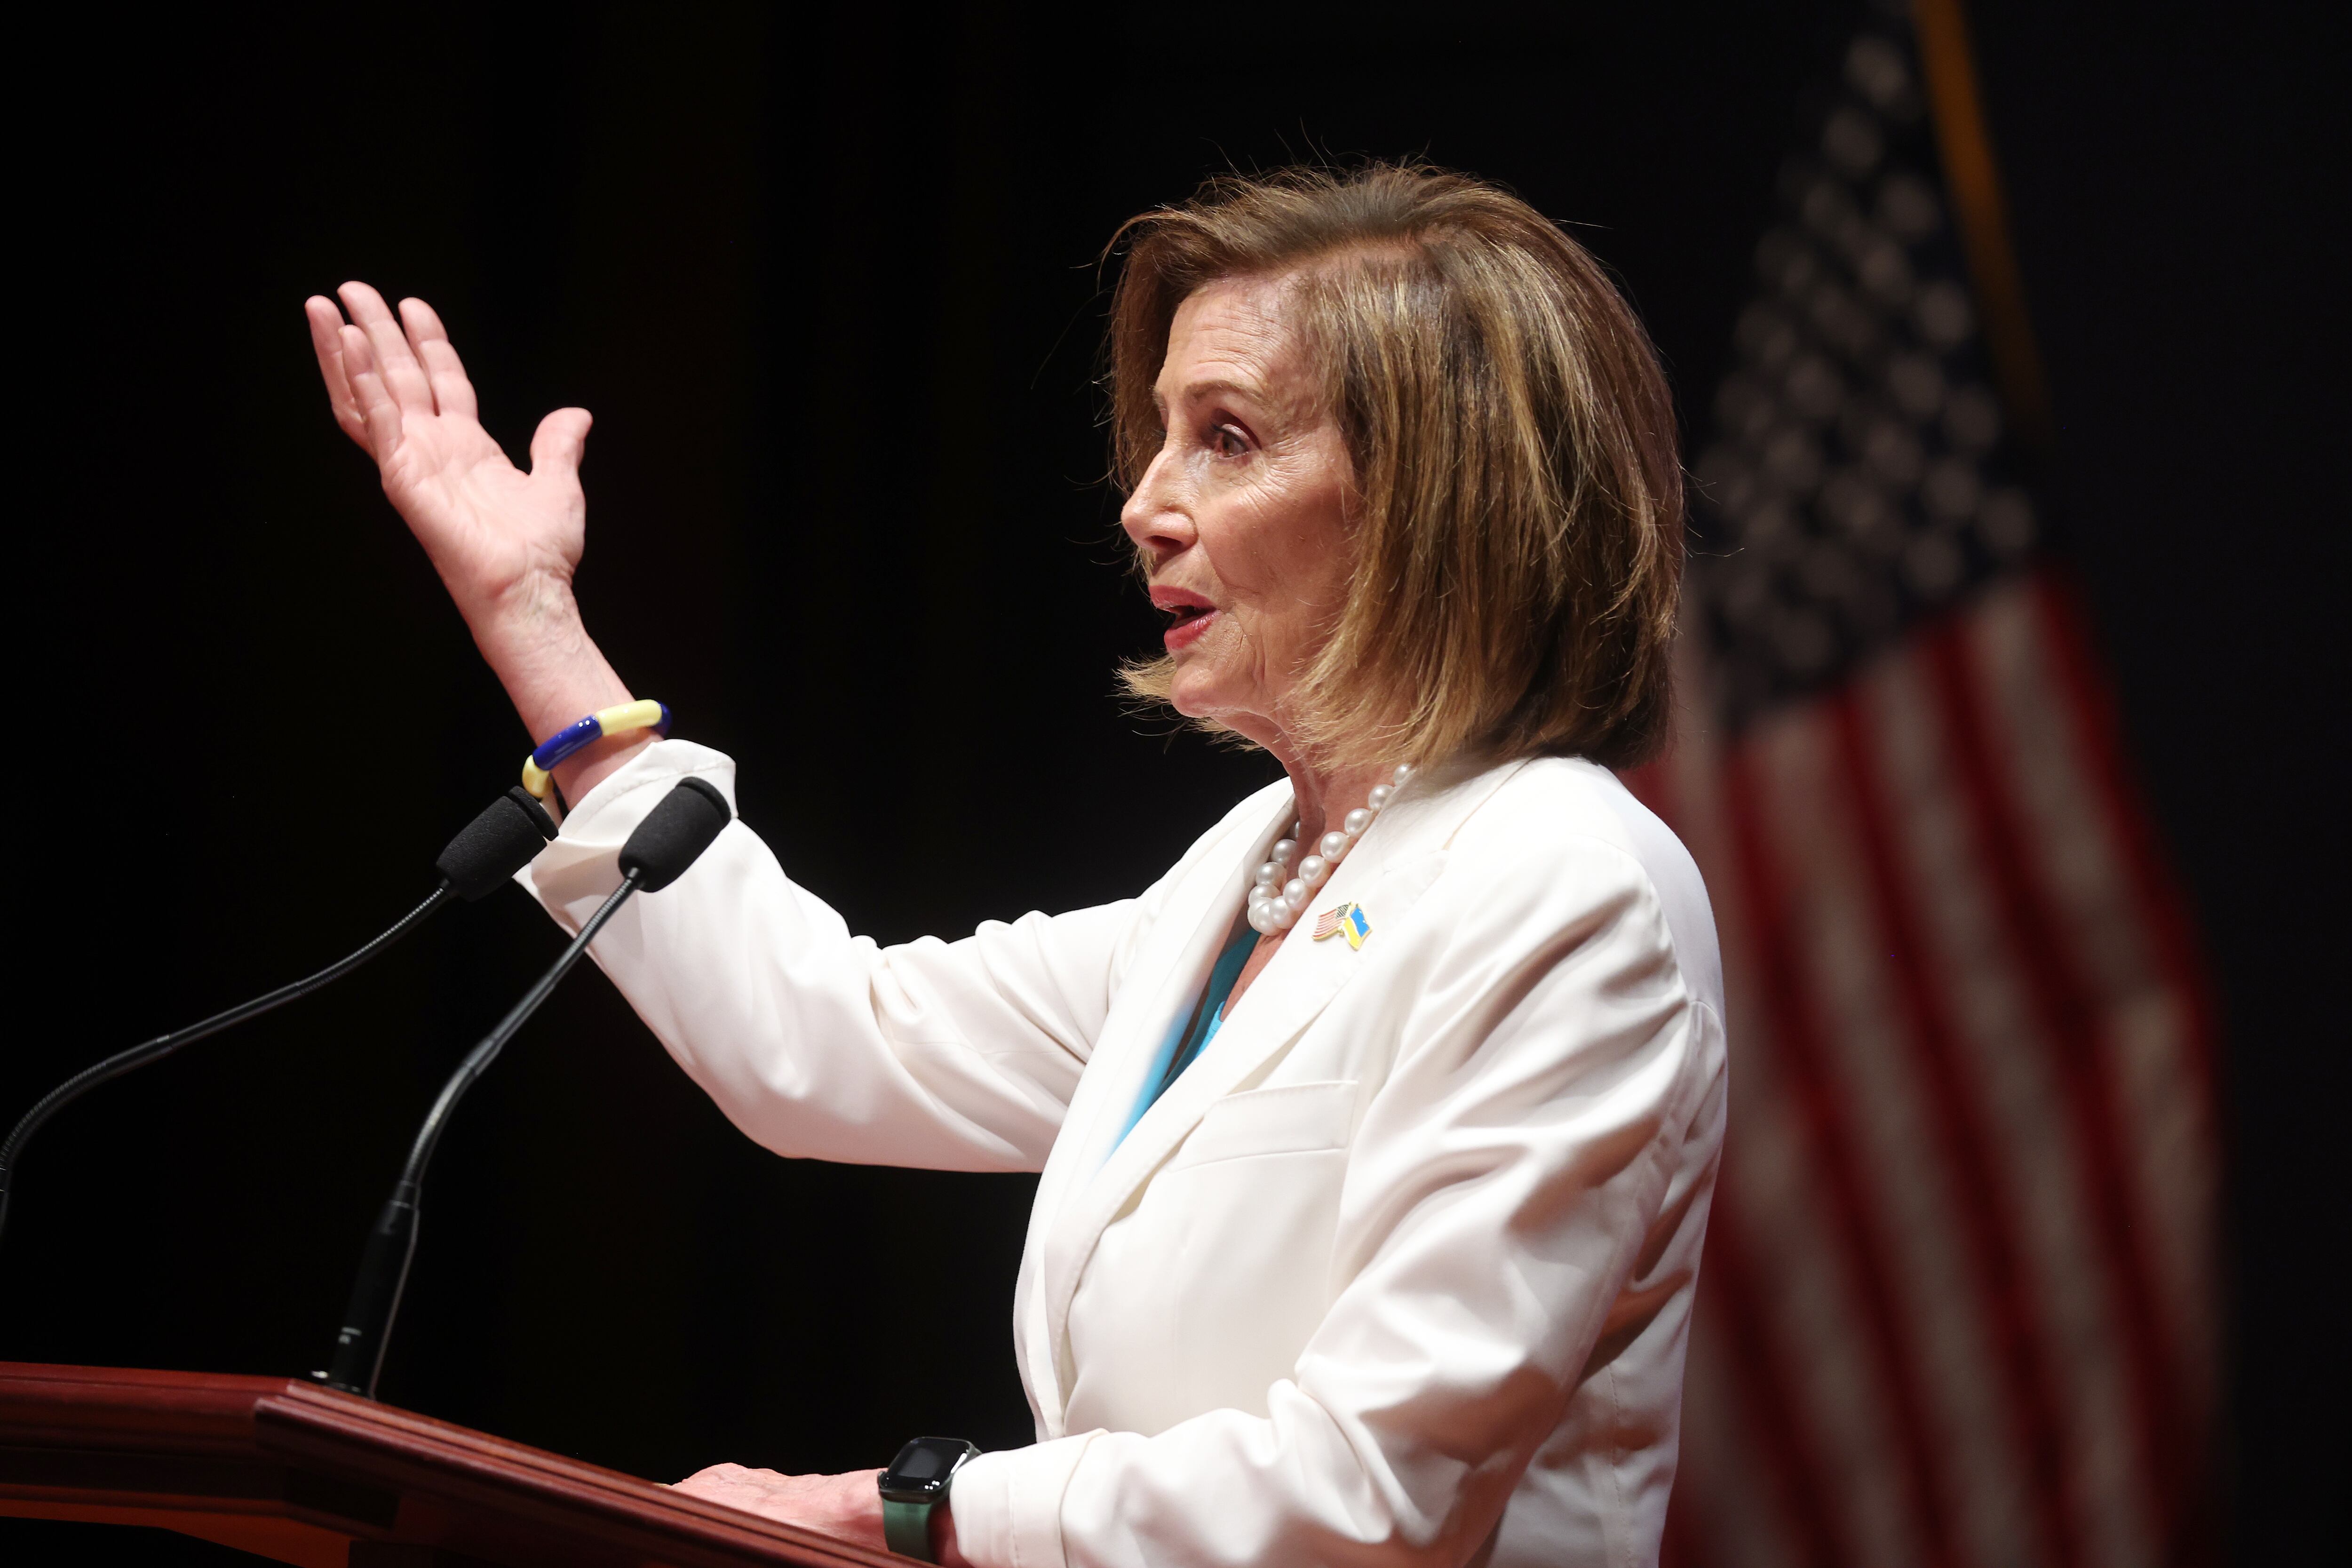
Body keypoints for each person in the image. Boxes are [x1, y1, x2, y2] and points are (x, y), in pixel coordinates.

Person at [305, 163, 1724, 1568]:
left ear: (1434, 497)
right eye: (1160, 436)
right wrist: (529, 616)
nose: (1145, 503)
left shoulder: (1564, 888)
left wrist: (905, 1509)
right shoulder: (1247, 875)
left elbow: (1371, 1499)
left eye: (1227, 438)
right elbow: (820, 1039)